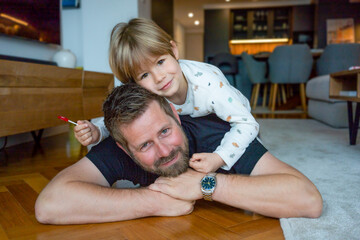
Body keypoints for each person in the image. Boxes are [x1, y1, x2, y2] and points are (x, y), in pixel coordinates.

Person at [35, 84, 322, 225]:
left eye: (164, 131)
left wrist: (205, 185)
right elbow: (49, 204)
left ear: (175, 113)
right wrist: (153, 201)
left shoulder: (218, 132)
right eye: (144, 146)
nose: (164, 151)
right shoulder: (119, 145)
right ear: (123, 148)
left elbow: (307, 199)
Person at [74, 18, 259, 173]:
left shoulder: (209, 85)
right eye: (144, 75)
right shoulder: (147, 92)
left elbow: (247, 123)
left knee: (243, 149)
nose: (159, 77)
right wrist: (98, 131)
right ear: (134, 84)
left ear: (174, 51)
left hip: (228, 116)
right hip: (187, 119)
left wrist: (219, 158)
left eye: (161, 62)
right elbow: (124, 120)